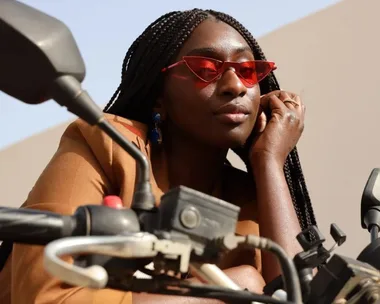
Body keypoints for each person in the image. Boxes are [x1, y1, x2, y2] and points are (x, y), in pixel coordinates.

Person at [0, 8, 317, 304]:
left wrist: (269, 161)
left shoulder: (252, 197)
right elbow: (48, 298)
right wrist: (231, 288)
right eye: (206, 69)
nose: (235, 85)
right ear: (158, 98)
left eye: (248, 71)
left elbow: (301, 295)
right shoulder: (107, 145)